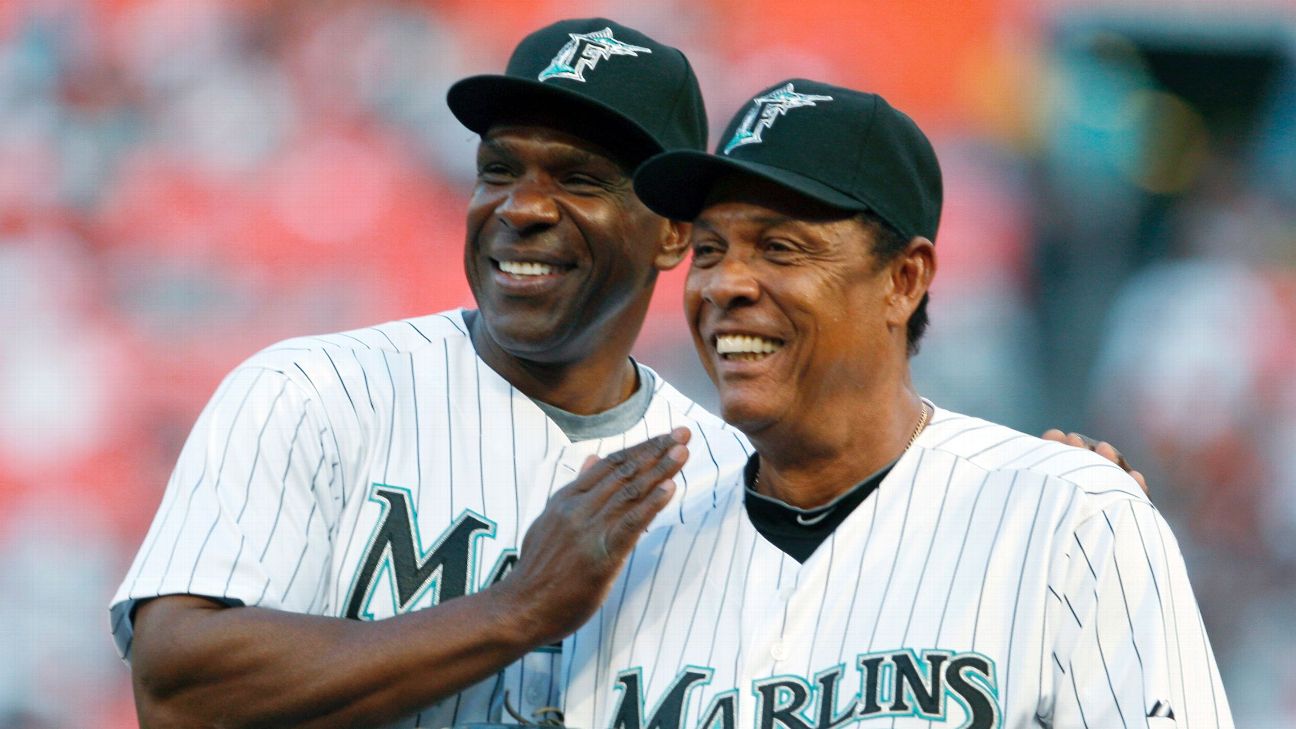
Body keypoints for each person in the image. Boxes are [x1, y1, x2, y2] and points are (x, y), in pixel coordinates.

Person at [108, 18, 752, 729]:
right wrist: (516, 610)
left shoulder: (734, 484)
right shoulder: (312, 394)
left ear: (673, 232)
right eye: (499, 170)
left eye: (578, 178)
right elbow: (177, 695)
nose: (522, 207)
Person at [558, 79, 1230, 729]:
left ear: (904, 280)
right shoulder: (632, 554)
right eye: (709, 250)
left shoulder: (1070, 519)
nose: (725, 283)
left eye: (780, 248)